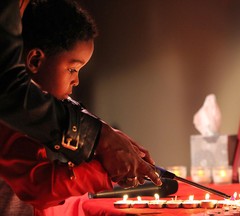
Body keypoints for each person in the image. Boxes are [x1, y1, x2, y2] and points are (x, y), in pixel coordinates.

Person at [0, 0, 162, 191]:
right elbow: (39, 186)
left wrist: (104, 133)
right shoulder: (13, 120)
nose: (76, 81)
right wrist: (101, 156)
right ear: (35, 60)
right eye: (72, 69)